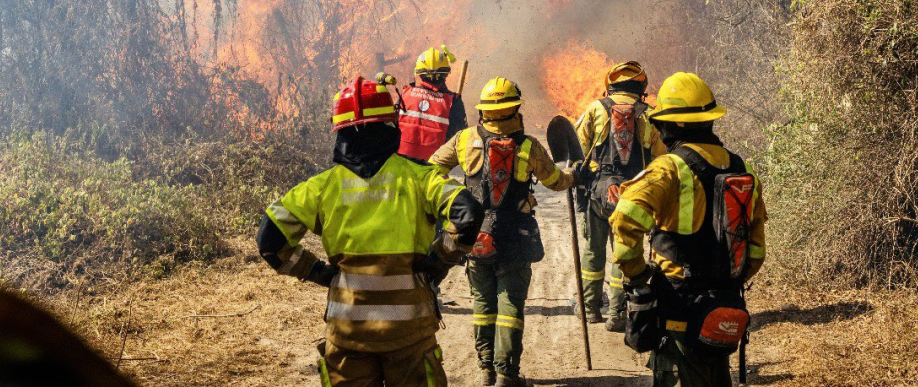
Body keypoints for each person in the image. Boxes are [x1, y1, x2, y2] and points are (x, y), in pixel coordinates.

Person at [257, 76, 483, 387]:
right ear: (391, 124)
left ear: (341, 131)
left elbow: (269, 241)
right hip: (410, 336)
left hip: (348, 337)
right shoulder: (419, 178)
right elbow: (469, 214)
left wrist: (318, 272)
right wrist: (439, 259)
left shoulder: (320, 188)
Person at [609, 73, 768, 387]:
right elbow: (757, 249)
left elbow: (624, 220)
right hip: (723, 308)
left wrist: (639, 278)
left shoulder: (668, 168)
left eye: (661, 124)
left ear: (674, 126)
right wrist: (727, 281)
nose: (659, 130)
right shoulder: (742, 170)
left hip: (678, 310)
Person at [429, 77, 575, 387]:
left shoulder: (464, 140)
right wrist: (572, 177)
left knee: (482, 303)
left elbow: (431, 170)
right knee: (510, 305)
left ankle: (486, 369)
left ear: (484, 111)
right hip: (515, 238)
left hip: (475, 237)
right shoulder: (529, 147)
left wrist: (455, 197)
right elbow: (554, 181)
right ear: (516, 110)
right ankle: (507, 373)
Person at [573, 60, 666, 331]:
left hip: (598, 193)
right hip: (634, 195)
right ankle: (617, 314)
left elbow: (579, 151)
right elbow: (659, 156)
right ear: (641, 88)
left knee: (593, 252)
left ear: (610, 85)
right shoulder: (648, 115)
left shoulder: (595, 109)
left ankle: (589, 309)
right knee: (624, 252)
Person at [398, 45, 468, 163]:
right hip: (434, 167)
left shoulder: (404, 94)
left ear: (419, 73)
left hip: (402, 163)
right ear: (445, 74)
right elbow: (461, 138)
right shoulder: (453, 102)